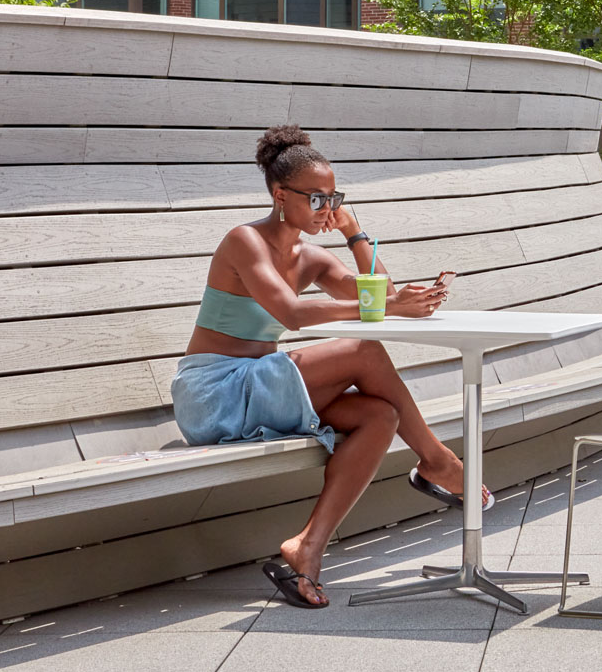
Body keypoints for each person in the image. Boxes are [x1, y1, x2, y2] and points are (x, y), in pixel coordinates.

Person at [170, 125, 469, 610]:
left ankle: (307, 548)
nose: (325, 208)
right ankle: (439, 462)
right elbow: (292, 313)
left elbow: (381, 295)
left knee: (379, 415)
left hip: (262, 388)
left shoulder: (310, 257)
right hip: (215, 393)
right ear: (279, 195)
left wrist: (353, 232)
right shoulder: (244, 241)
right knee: (363, 351)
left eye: (333, 198)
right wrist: (389, 307)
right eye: (315, 198)